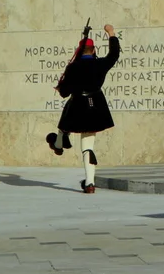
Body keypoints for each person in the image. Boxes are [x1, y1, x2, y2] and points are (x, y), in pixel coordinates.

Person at [46, 24, 120, 194]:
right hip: (96, 105)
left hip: (78, 104)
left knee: (65, 123)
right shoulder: (101, 64)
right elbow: (114, 55)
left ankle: (59, 142)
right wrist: (111, 33)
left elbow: (64, 92)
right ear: (94, 50)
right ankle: (90, 183)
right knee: (88, 146)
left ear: (80, 51)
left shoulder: (73, 67)